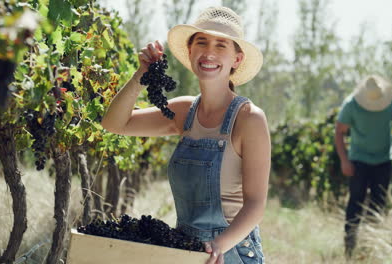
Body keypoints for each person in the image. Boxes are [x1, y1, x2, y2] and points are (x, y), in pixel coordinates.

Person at [101, 6, 270, 264]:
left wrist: (216, 248)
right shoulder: (184, 112)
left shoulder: (249, 119)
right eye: (201, 42)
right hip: (185, 251)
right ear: (191, 52)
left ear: (236, 60)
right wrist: (140, 75)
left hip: (229, 253)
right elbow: (115, 123)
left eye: (221, 45)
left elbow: (256, 205)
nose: (209, 52)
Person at [334, 75, 392, 257]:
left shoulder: (391, 97)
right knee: (355, 204)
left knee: (378, 205)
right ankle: (350, 249)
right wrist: (344, 160)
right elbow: (339, 132)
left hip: (384, 161)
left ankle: (370, 246)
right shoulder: (351, 105)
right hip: (359, 162)